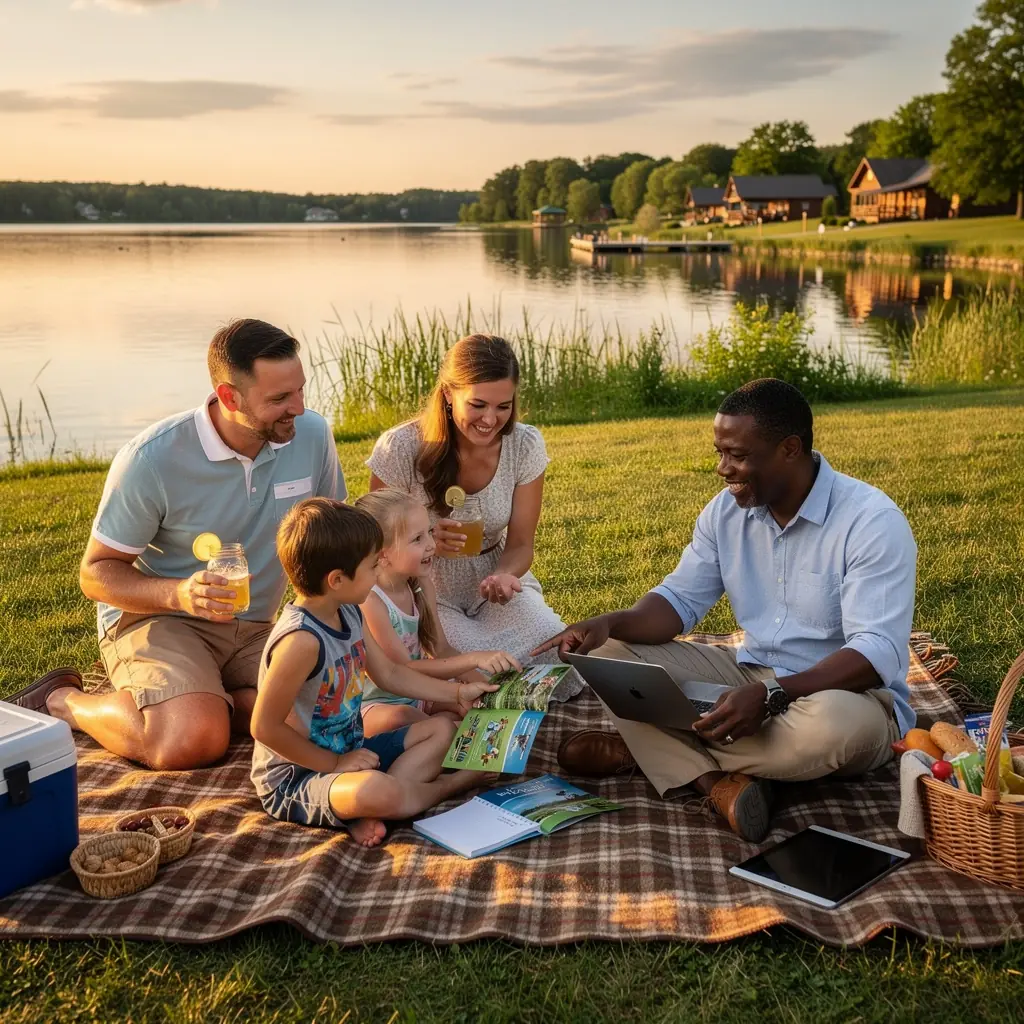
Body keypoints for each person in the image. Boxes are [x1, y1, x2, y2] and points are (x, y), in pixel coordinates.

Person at [535, 378, 917, 843]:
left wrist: (774, 695)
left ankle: (650, 751)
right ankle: (714, 784)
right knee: (611, 653)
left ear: (790, 449)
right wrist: (610, 622)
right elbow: (678, 602)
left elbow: (875, 653)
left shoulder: (871, 522)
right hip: (746, 678)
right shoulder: (726, 512)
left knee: (840, 728)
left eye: (737, 455)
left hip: (841, 696)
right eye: (719, 452)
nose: (722, 469)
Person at [8, 319, 346, 771]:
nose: (299, 409)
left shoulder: (312, 435)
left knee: (328, 718)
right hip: (160, 620)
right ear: (230, 397)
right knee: (192, 742)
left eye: (300, 390)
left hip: (257, 624)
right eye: (280, 399)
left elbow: (335, 534)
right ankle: (62, 700)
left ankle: (215, 699)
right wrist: (179, 594)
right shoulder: (152, 458)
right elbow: (95, 573)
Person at [249, 498, 496, 847]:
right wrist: (334, 762)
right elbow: (264, 727)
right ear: (336, 579)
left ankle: (375, 807)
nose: (378, 572)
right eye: (370, 566)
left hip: (353, 751)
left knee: (441, 729)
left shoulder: (348, 611)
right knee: (374, 789)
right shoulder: (301, 642)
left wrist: (457, 694)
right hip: (298, 776)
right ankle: (448, 786)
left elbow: (391, 674)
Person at [366, 333, 567, 665]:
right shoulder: (400, 448)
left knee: (554, 648)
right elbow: (372, 546)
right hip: (424, 586)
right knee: (474, 668)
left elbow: (520, 543)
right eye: (478, 405)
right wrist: (428, 542)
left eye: (504, 406)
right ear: (448, 394)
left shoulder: (525, 445)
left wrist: (505, 575)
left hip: (494, 580)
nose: (490, 420)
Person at [353, 488, 522, 735]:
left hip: (419, 696)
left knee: (471, 710)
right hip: (375, 706)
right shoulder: (371, 600)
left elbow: (440, 648)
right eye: (417, 539)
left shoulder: (421, 586)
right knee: (413, 720)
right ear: (383, 555)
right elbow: (401, 671)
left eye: (429, 533)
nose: (432, 545)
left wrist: (488, 689)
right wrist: (474, 658)